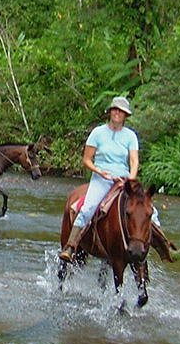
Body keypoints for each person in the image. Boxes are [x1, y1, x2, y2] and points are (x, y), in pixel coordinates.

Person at [60, 96, 140, 262]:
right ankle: (71, 244)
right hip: (101, 178)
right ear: (110, 112)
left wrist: (131, 179)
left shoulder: (130, 136)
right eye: (115, 110)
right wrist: (100, 171)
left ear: (125, 115)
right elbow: (87, 159)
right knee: (88, 208)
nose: (117, 113)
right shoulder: (97, 133)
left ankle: (164, 247)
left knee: (148, 211)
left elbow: (134, 160)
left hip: (124, 179)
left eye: (121, 111)